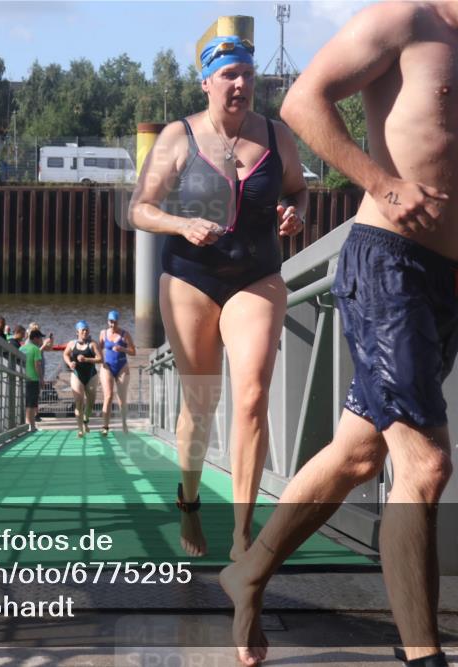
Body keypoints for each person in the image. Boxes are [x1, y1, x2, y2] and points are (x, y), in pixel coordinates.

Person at [218, 3, 458, 666]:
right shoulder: (405, 22)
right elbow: (302, 101)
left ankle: (248, 571)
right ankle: (424, 655)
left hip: (452, 282)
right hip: (387, 263)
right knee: (426, 463)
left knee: (359, 453)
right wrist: (381, 183)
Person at [129, 32, 308, 560]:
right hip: (190, 279)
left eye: (248, 75)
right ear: (207, 82)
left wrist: (297, 211)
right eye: (230, 75)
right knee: (200, 403)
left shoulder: (276, 136)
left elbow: (298, 187)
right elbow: (141, 208)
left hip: (257, 276)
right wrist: (182, 224)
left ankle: (242, 534)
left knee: (251, 396)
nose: (241, 85)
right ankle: (189, 503)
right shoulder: (179, 137)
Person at [99, 310, 137, 435]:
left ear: (118, 322)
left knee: (122, 399)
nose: (112, 325)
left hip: (122, 367)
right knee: (108, 396)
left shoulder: (125, 334)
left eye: (115, 322)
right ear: (107, 321)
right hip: (108, 367)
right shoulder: (103, 334)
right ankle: (105, 427)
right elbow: (98, 350)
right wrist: (100, 361)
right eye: (110, 322)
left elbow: (133, 351)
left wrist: (122, 348)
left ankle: (124, 424)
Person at [63, 321, 102, 438]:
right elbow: (65, 354)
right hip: (77, 376)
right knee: (79, 402)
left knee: (90, 403)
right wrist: (70, 363)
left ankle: (86, 419)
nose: (85, 332)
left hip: (91, 376)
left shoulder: (92, 344)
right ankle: (80, 429)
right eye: (82, 330)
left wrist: (86, 359)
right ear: (77, 332)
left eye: (86, 330)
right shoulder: (72, 344)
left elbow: (100, 359)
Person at [20, 330, 45, 432]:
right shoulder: (36, 349)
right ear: (35, 338)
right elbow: (37, 365)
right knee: (32, 403)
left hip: (22, 378)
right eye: (40, 338)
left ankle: (31, 425)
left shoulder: (21, 348)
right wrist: (41, 379)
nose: (41, 340)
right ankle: (30, 425)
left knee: (26, 403)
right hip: (33, 379)